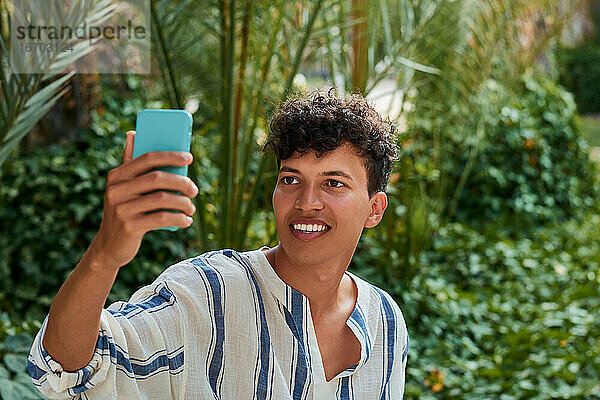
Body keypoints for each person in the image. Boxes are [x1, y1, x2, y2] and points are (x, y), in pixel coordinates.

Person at [28, 91, 409, 399]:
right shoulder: (207, 294)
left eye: (334, 183)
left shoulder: (386, 323)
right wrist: (105, 256)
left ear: (374, 209)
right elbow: (65, 369)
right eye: (291, 179)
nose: (307, 201)